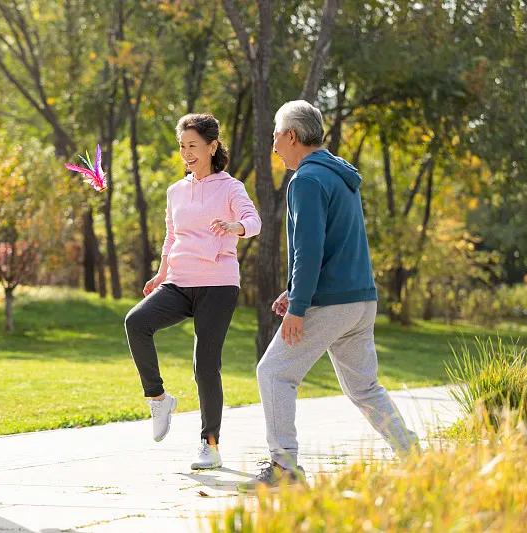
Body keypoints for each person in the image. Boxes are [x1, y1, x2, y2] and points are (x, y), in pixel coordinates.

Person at [243, 100, 418, 489]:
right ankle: (415, 457)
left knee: (274, 373)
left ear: (291, 136)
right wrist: (294, 290)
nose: (274, 147)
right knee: (365, 388)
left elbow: (310, 249)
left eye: (275, 136)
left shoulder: (306, 180)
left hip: (331, 302)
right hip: (360, 300)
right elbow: (334, 243)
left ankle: (284, 468)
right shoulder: (339, 175)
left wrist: (299, 305)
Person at [125, 113, 261, 470]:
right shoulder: (176, 191)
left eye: (193, 146)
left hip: (218, 282)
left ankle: (209, 444)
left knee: (205, 365)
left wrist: (235, 226)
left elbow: (253, 220)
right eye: (182, 146)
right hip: (179, 281)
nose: (186, 153)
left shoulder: (231, 187)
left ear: (212, 146)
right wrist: (160, 274)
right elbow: (172, 237)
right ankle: (158, 398)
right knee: (136, 322)